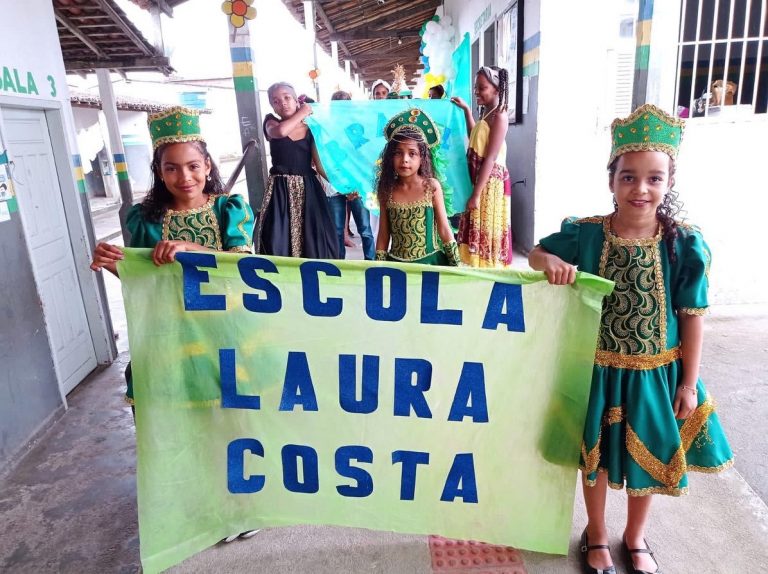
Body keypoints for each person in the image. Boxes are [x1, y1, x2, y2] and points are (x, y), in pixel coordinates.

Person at [528, 104, 733, 574]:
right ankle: (596, 532)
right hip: (596, 369)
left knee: (651, 453)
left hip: (657, 375)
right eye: (628, 177)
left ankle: (635, 536)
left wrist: (688, 383)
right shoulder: (586, 234)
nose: (641, 189)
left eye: (654, 178)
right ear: (611, 181)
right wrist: (550, 263)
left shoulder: (683, 244)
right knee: (595, 458)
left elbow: (691, 317)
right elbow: (538, 253)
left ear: (669, 182)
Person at [90, 106, 258, 542]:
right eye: (172, 168)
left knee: (231, 421)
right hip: (169, 334)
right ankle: (203, 504)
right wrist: (113, 264)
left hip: (224, 331)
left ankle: (242, 504)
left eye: (193, 166)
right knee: (188, 422)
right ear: (158, 171)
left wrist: (191, 249)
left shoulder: (229, 209)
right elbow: (142, 279)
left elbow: (244, 265)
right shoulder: (143, 220)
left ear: (208, 166)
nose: (184, 177)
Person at [256, 82, 338, 259]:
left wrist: (341, 186)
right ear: (272, 107)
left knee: (313, 235)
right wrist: (303, 112)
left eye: (287, 98)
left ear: (295, 100)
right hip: (280, 190)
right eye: (276, 101)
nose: (283, 103)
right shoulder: (271, 123)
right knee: (277, 235)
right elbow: (281, 132)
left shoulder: (311, 129)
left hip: (308, 188)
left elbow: (320, 165)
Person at [374, 108, 459, 266]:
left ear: (422, 158)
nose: (405, 159)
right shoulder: (386, 190)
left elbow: (444, 229)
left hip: (430, 265)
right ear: (390, 157)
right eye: (398, 153)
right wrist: (378, 267)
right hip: (398, 267)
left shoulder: (431, 187)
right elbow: (384, 234)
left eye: (412, 153)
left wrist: (457, 266)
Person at [451, 66, 513, 268]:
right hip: (479, 180)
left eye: (482, 88)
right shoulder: (487, 113)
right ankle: (476, 267)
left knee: (486, 227)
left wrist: (476, 194)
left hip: (489, 184)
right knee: (475, 226)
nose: (477, 91)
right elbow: (474, 137)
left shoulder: (499, 116)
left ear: (497, 89)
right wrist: (467, 111)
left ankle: (487, 269)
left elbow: (491, 157)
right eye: (476, 87)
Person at [324, 89, 375, 260]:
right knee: (337, 230)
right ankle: (340, 265)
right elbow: (325, 159)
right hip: (335, 186)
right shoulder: (326, 130)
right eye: (337, 107)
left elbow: (366, 158)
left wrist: (360, 184)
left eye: (344, 106)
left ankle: (371, 263)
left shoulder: (358, 129)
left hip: (356, 187)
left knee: (365, 229)